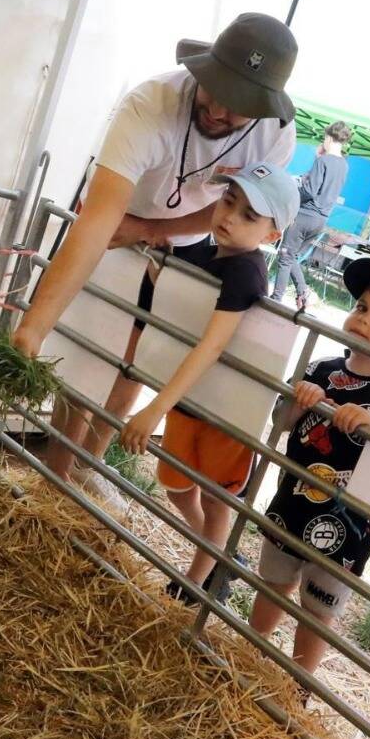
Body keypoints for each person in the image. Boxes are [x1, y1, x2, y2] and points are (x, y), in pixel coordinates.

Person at [12, 13, 299, 484]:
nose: (220, 111)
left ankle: (89, 468)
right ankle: (56, 473)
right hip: (116, 225)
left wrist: (153, 229)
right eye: (215, 90)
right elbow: (100, 217)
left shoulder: (275, 136)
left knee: (137, 364)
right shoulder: (150, 104)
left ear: (265, 108)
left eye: (239, 105)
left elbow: (242, 210)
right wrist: (34, 327)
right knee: (91, 351)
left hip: (189, 241)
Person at [112, 165, 296, 601]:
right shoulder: (208, 253)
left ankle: (196, 584)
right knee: (176, 485)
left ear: (272, 236)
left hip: (227, 409)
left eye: (250, 216)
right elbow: (171, 287)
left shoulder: (245, 273)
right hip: (191, 400)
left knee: (216, 500)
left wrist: (154, 406)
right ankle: (217, 557)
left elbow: (212, 345)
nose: (230, 216)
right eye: (229, 201)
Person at [248, 257, 370, 671]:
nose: (365, 319)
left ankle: (299, 685)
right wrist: (299, 402)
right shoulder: (322, 368)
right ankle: (247, 653)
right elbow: (279, 425)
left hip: (346, 531)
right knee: (272, 586)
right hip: (291, 507)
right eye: (362, 307)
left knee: (318, 611)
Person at [271, 120, 354, 311]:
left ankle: (276, 299)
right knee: (292, 257)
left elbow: (310, 190)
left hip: (304, 215)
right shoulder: (344, 165)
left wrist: (292, 195)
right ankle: (302, 292)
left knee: (285, 256)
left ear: (328, 138)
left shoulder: (323, 161)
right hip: (321, 220)